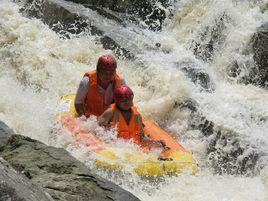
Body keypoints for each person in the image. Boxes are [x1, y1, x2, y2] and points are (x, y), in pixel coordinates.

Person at [98, 85, 165, 149]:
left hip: (132, 148)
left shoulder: (137, 116)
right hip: (115, 147)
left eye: (129, 99)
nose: (127, 102)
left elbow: (142, 138)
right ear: (117, 101)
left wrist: (155, 143)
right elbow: (97, 128)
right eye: (123, 100)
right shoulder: (111, 112)